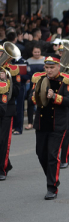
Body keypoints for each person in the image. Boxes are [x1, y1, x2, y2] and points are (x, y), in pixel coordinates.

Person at [32, 54, 69, 199]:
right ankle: (52, 176)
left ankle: (52, 187)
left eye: (52, 67)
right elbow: (31, 97)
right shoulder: (39, 79)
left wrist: (55, 97)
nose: (49, 70)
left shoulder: (66, 80)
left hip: (58, 123)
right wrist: (37, 96)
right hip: (42, 122)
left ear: (58, 67)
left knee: (52, 155)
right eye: (47, 67)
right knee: (40, 153)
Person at [0, 53, 19, 181]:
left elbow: (17, 91)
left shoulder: (12, 70)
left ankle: (2, 169)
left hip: (7, 109)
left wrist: (6, 79)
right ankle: (7, 163)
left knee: (3, 141)